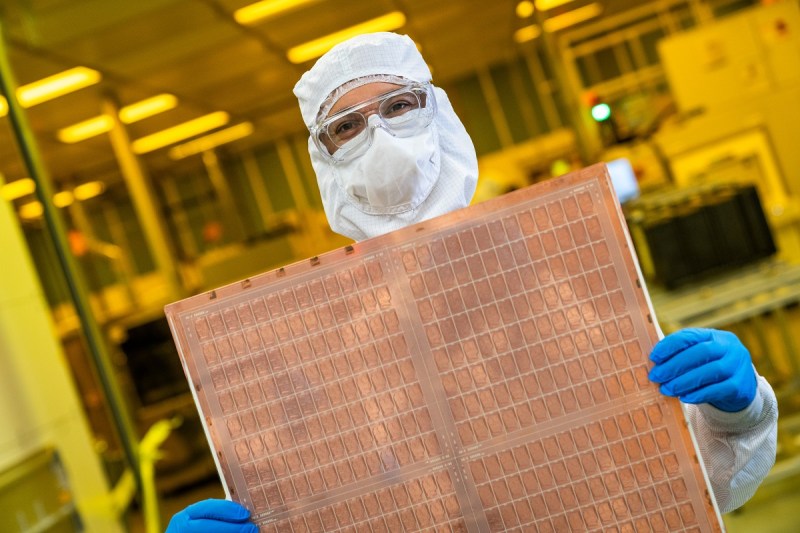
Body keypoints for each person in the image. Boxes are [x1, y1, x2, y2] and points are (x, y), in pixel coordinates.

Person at [166, 32, 777, 531]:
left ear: (440, 115)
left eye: (399, 106)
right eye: (346, 127)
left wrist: (738, 413)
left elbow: (694, 483)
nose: (379, 135)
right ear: (324, 161)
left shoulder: (556, 275)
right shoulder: (328, 345)